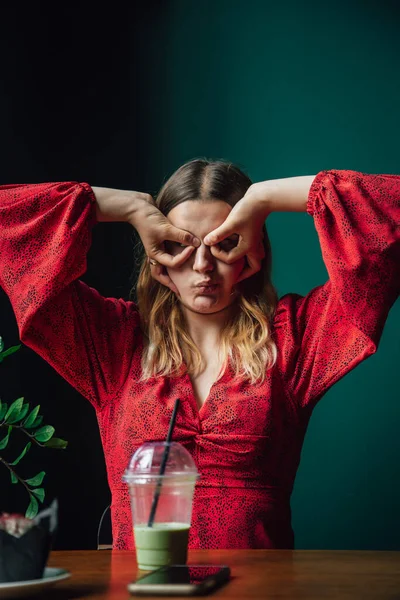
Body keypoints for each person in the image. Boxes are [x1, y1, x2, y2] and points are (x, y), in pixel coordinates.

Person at [0, 160, 398, 550]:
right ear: (156, 255)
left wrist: (264, 198)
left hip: (262, 592)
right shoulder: (114, 343)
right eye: (180, 245)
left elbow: (387, 227)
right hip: (143, 590)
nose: (203, 265)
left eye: (224, 243)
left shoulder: (295, 340)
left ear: (252, 249)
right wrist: (132, 208)